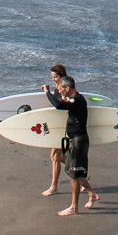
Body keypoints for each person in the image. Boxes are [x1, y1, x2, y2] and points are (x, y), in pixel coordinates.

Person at [44, 75, 99, 216]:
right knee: (74, 171)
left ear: (67, 88)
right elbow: (65, 102)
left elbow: (59, 106)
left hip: (78, 140)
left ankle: (76, 206)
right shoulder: (76, 99)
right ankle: (91, 194)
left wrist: (47, 92)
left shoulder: (78, 100)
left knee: (74, 174)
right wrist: (61, 96)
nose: (59, 91)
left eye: (61, 89)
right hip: (76, 139)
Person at [41, 64, 70, 197]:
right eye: (52, 77)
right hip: (60, 125)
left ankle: (54, 187)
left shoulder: (63, 88)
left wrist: (47, 92)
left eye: (55, 77)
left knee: (55, 157)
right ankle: (80, 175)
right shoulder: (59, 87)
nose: (53, 79)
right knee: (57, 156)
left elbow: (59, 105)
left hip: (64, 127)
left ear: (61, 75)